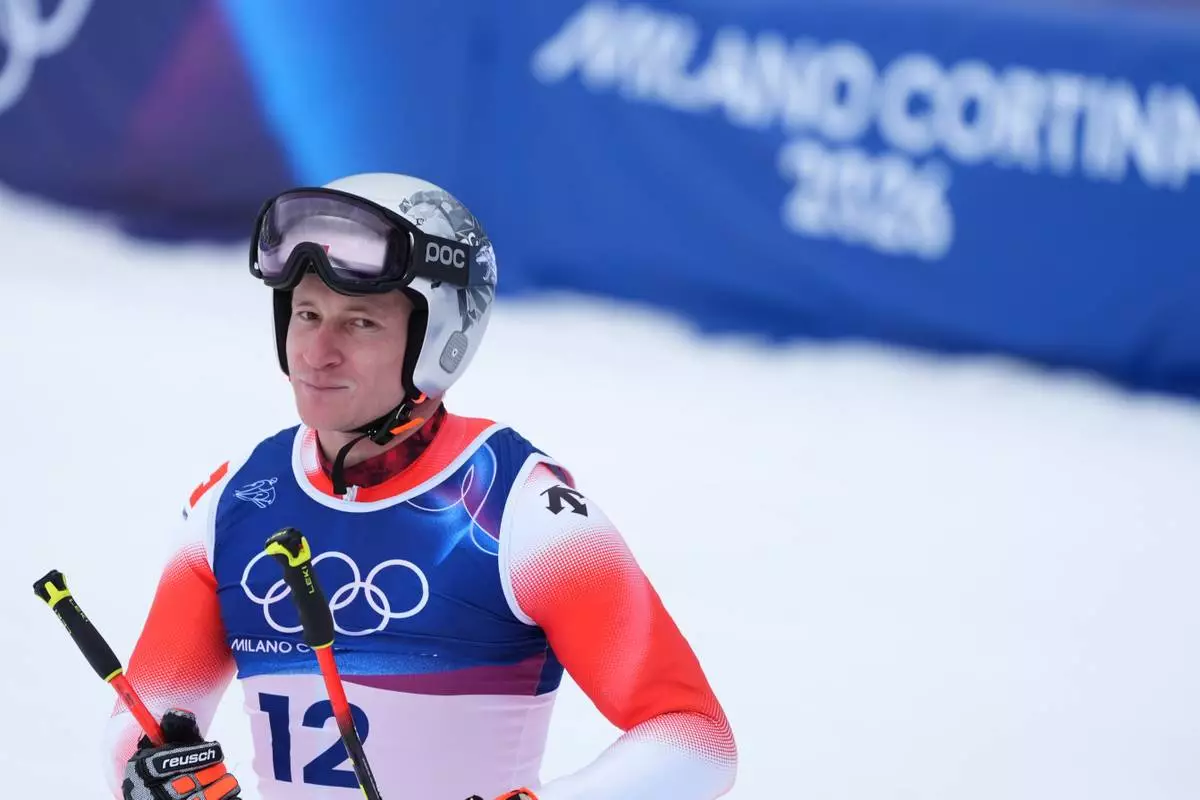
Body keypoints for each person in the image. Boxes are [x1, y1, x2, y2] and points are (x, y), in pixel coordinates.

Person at [104, 173, 738, 800]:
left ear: (440, 341)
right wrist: (153, 779)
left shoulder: (518, 513)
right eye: (305, 313)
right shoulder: (232, 505)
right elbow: (140, 726)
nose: (316, 353)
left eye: (361, 324)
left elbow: (694, 739)